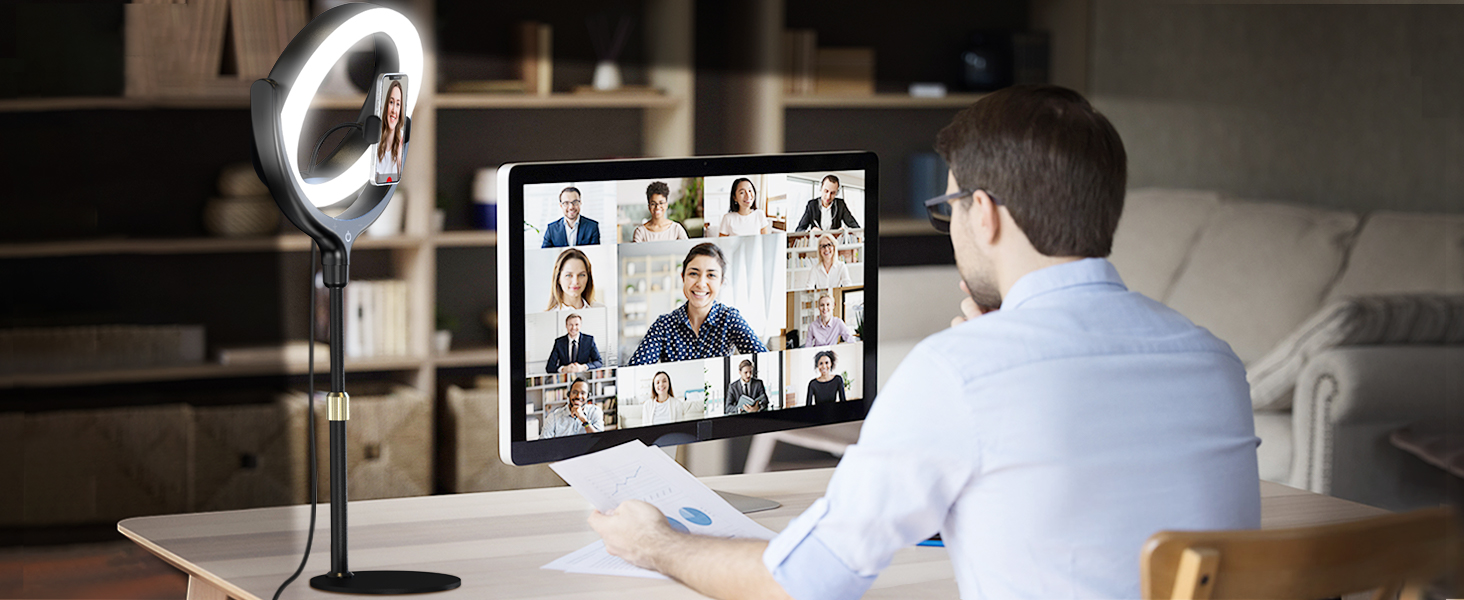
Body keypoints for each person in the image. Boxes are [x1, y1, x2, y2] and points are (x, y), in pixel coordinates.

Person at [586, 85, 1261, 600]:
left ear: (985, 214)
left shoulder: (961, 370)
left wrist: (657, 545)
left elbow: (809, 581)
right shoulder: (1214, 360)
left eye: (948, 211)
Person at [627, 243, 769, 365]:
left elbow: (765, 362)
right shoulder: (664, 325)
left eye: (711, 275)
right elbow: (635, 370)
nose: (701, 284)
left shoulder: (729, 319)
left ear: (721, 283)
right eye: (693, 274)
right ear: (683, 277)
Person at [794, 175, 860, 232]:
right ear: (821, 188)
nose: (828, 197)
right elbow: (799, 229)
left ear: (837, 192)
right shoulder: (812, 205)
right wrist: (810, 232)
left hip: (834, 242)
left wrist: (845, 231)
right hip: (816, 243)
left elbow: (856, 227)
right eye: (826, 191)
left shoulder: (840, 204)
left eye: (833, 193)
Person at [373, 79, 406, 185]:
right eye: (391, 102)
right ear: (386, 105)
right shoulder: (375, 140)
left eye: (398, 104)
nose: (393, 110)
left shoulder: (403, 141)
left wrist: (401, 160)